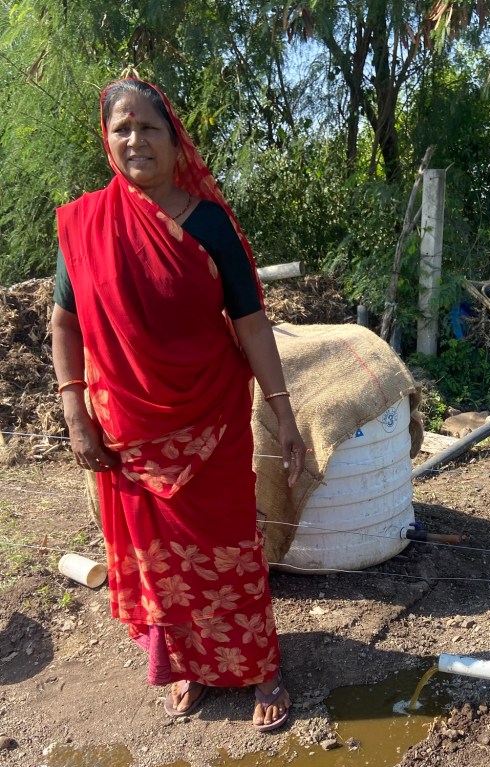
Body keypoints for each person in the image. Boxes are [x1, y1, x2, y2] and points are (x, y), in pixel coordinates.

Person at [51, 77, 306, 730]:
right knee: (160, 562)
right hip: (128, 429)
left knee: (228, 547)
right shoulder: (84, 226)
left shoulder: (210, 223)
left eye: (149, 127)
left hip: (212, 419)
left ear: (174, 139)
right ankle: (185, 662)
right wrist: (75, 414)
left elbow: (251, 323)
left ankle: (259, 667)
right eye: (122, 128)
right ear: (107, 140)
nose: (135, 139)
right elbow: (65, 325)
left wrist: (284, 411)